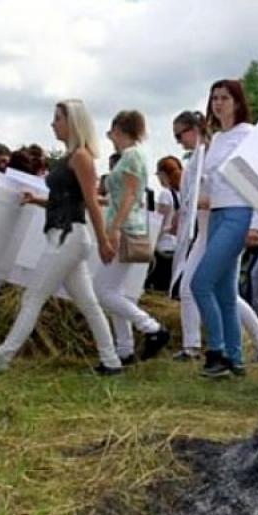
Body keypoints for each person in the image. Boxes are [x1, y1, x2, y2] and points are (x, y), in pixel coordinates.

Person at [0, 100, 121, 374]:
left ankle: (0, 359)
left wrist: (105, 241)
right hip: (66, 236)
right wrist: (36, 199)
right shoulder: (70, 157)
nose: (53, 123)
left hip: (68, 237)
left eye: (57, 118)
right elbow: (65, 199)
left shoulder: (81, 157)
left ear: (72, 122)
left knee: (32, 298)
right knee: (88, 303)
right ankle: (111, 362)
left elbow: (90, 202)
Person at [171, 109, 258, 365]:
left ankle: (207, 347)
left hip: (220, 228)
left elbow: (233, 190)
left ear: (194, 130)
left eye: (179, 135)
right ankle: (207, 345)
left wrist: (204, 203)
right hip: (206, 231)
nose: (178, 141)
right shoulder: (199, 157)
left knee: (202, 287)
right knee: (213, 291)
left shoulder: (214, 153)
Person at [191, 80, 258, 378]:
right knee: (225, 291)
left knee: (200, 283)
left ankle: (217, 352)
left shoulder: (248, 135)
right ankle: (235, 358)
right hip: (217, 214)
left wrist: (257, 223)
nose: (218, 103)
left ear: (237, 102)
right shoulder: (218, 138)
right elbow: (216, 182)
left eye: (224, 98)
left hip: (240, 213)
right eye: (214, 98)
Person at [93, 110, 169, 364]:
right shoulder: (132, 156)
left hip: (125, 227)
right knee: (113, 291)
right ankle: (125, 348)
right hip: (127, 224)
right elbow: (124, 196)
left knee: (102, 290)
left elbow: (128, 196)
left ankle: (151, 328)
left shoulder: (131, 156)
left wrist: (113, 228)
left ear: (118, 130)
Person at [145, 155, 182, 292]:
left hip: (162, 246)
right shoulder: (181, 194)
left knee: (157, 289)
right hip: (177, 247)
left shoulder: (165, 195)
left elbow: (159, 223)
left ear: (163, 174)